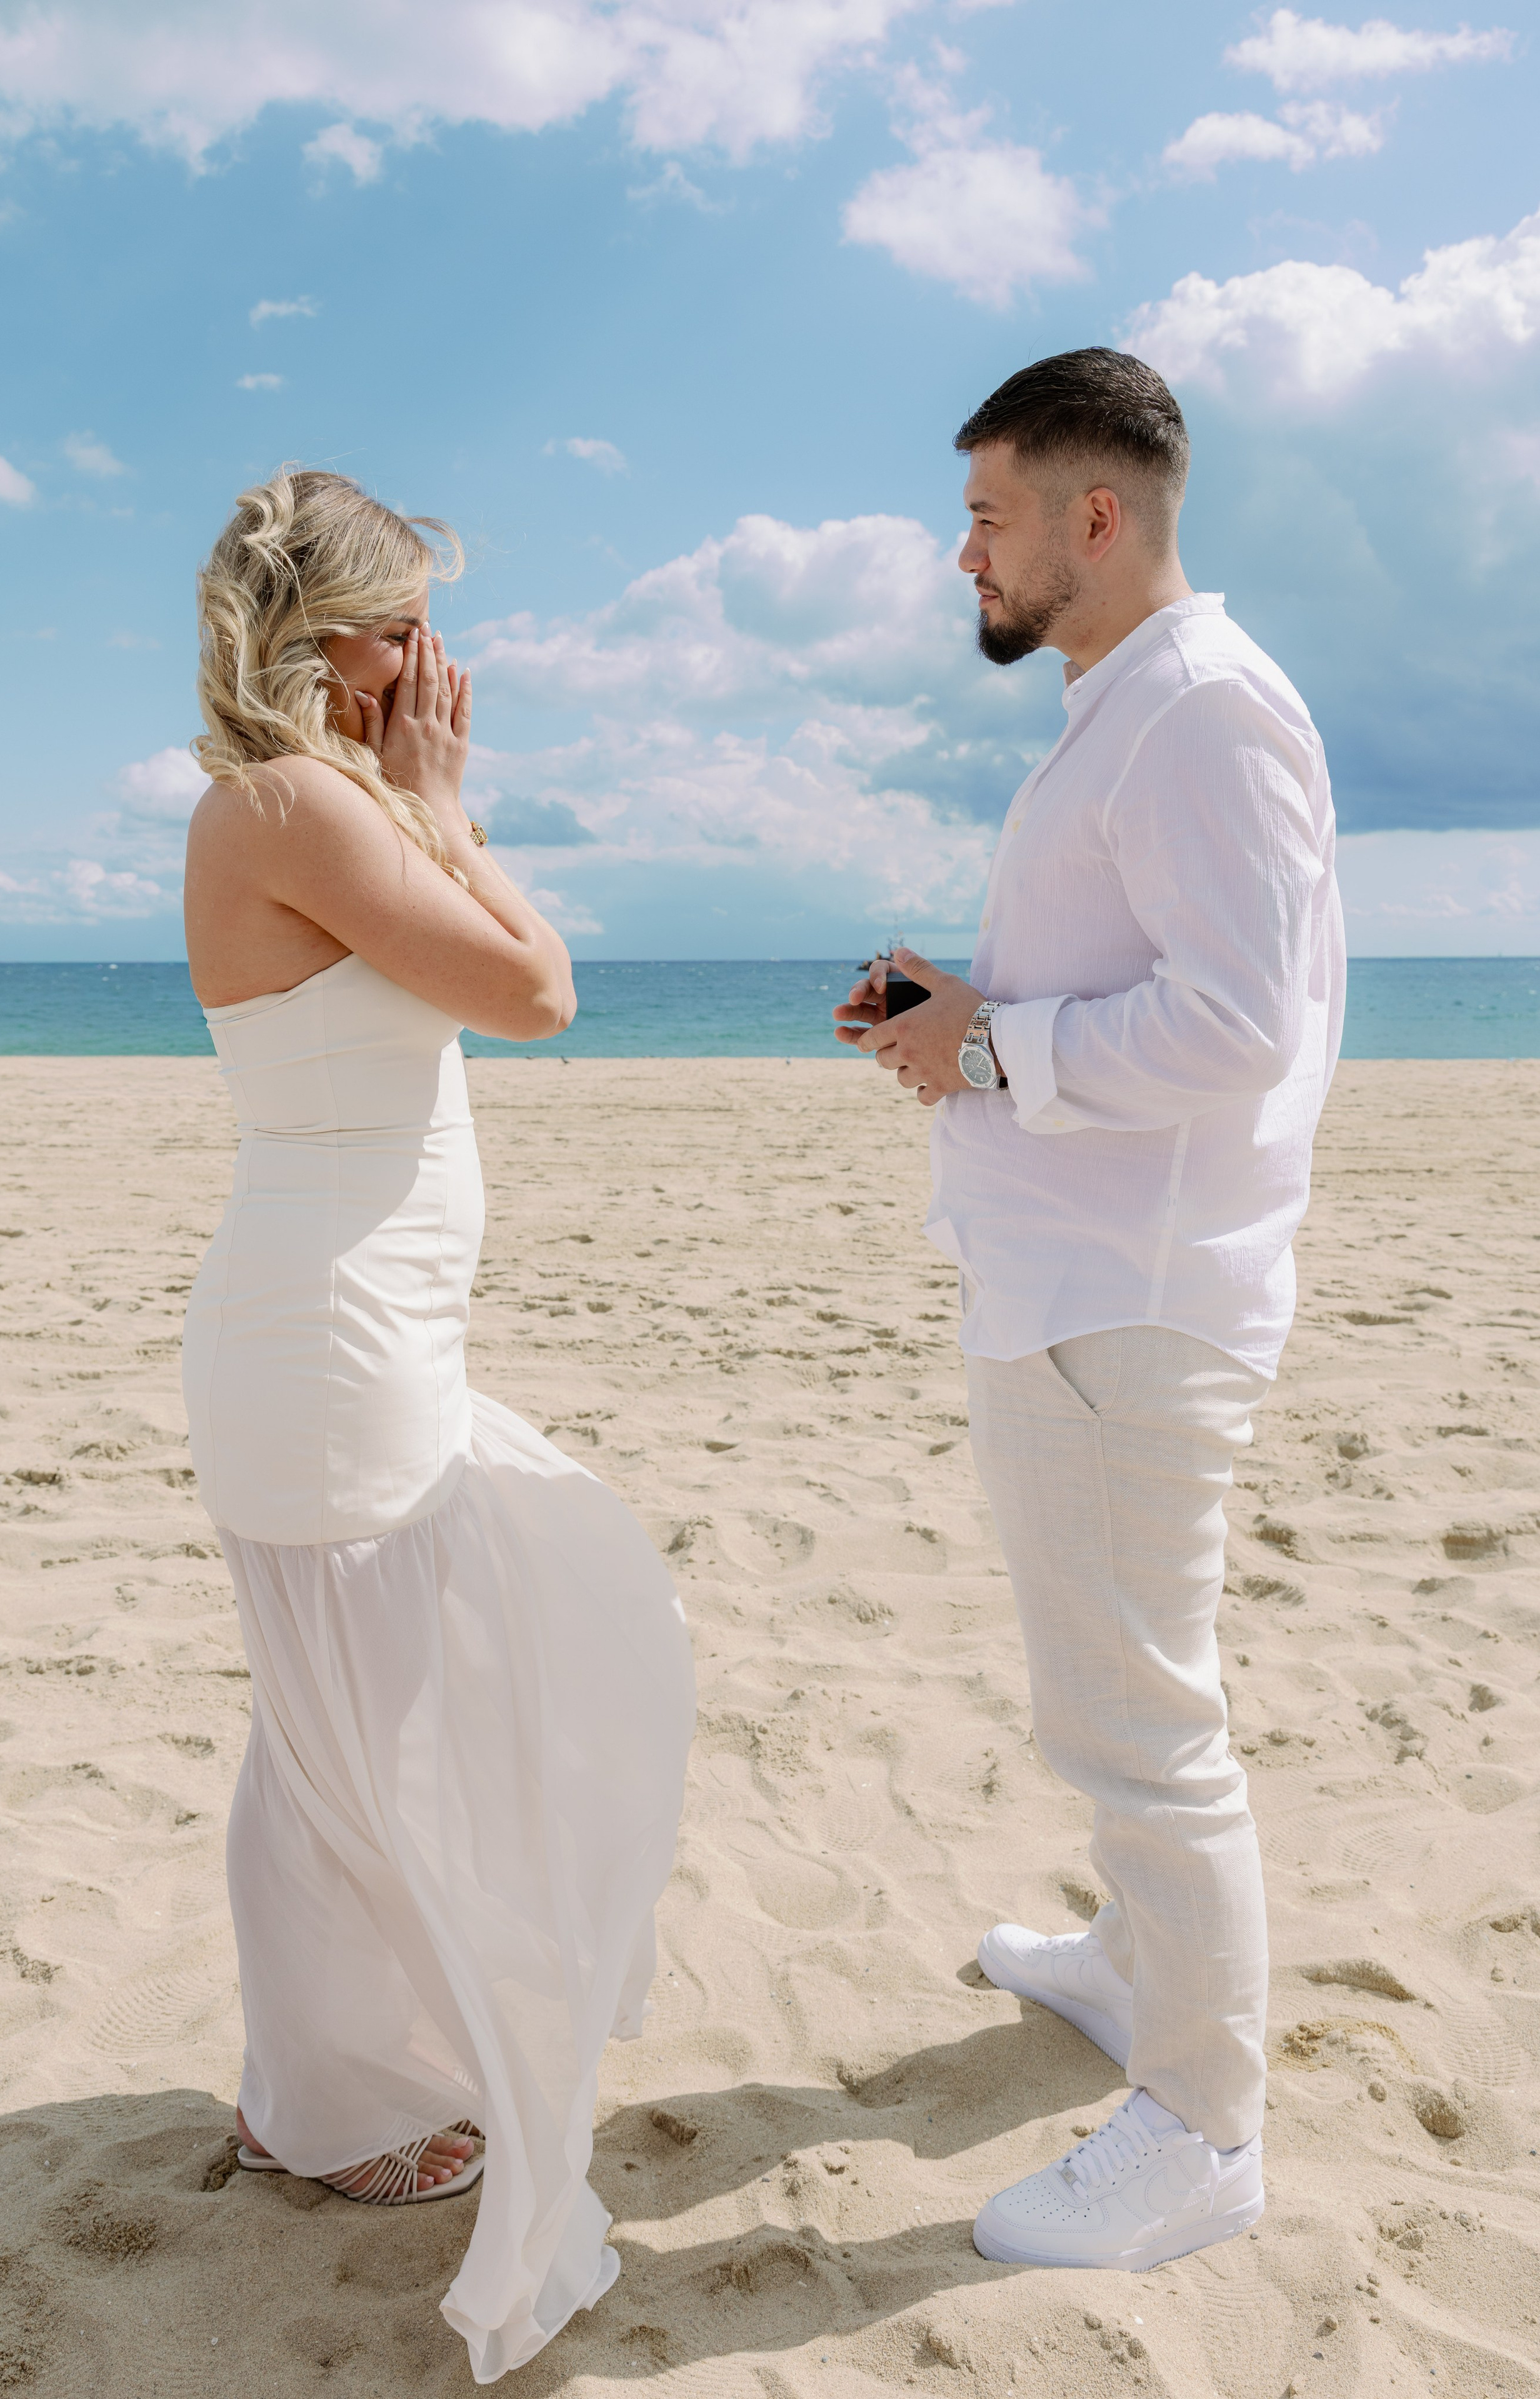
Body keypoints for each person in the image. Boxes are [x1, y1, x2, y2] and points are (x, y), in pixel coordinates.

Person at [181, 468, 694, 2380]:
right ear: (325, 640)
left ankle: (309, 2090)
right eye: (404, 623)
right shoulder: (298, 802)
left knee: (333, 1732)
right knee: (365, 1738)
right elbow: (539, 993)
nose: (436, 660)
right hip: (331, 1344)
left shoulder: (300, 802)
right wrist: (461, 812)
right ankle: (338, 2104)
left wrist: (422, 802)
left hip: (341, 1330)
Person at [835, 349, 1342, 2273]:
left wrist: (986, 1053)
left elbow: (1238, 1026)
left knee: (1145, 1730)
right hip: (1075, 1281)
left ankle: (1204, 2133)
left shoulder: (1203, 708)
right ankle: (1137, 1966)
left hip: (1134, 1301)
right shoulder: (1130, 704)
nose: (962, 549)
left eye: (985, 513)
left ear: (1095, 515)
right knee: (1104, 1702)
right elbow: (1136, 977)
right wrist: (957, 1007)